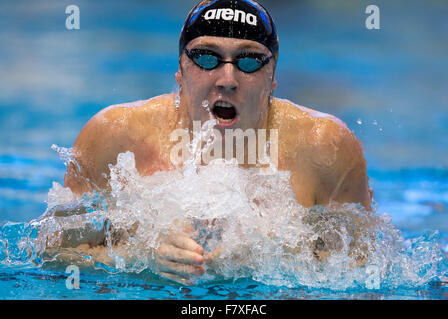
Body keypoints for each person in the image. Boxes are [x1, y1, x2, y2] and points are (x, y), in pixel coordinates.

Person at [50, 0, 372, 285]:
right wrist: (140, 256)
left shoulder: (325, 149)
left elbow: (368, 273)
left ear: (273, 78)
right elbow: (52, 254)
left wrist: (277, 256)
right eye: (207, 58)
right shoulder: (114, 136)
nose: (227, 80)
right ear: (180, 73)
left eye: (248, 61)